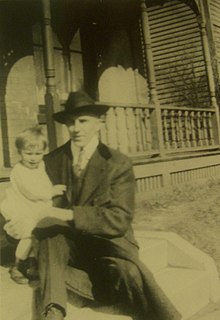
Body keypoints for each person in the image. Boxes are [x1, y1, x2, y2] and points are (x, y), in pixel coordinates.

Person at [4, 91, 181, 320]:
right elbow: (26, 197)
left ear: (100, 122)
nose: (76, 128)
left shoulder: (117, 163)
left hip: (106, 246)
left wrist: (65, 213)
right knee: (49, 231)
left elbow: (118, 219)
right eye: (71, 122)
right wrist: (14, 226)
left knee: (131, 276)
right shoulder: (52, 160)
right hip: (64, 249)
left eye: (83, 121)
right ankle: (53, 311)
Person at [1, 126, 66, 284]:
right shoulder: (19, 170)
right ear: (19, 153)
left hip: (36, 209)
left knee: (40, 236)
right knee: (29, 235)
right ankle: (18, 264)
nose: (33, 158)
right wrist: (52, 191)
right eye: (28, 154)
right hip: (23, 209)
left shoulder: (41, 166)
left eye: (38, 154)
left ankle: (32, 264)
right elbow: (31, 191)